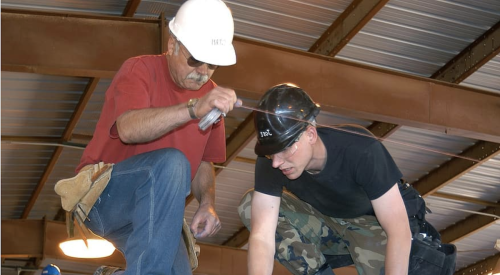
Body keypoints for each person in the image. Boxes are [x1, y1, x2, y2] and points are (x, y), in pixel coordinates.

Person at [66, 0, 238, 274]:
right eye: (195, 60)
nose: (203, 72)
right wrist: (193, 109)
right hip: (105, 198)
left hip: (156, 209)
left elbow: (204, 162)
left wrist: (207, 203)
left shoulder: (210, 97)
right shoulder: (139, 71)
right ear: (173, 46)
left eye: (213, 64)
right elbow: (128, 128)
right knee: (173, 164)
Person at [238, 83, 412, 275]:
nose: (276, 163)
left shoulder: (361, 149)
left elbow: (399, 231)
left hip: (373, 227)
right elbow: (262, 236)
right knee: (250, 203)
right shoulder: (271, 162)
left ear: (310, 134)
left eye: (285, 149)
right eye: (271, 153)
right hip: (326, 224)